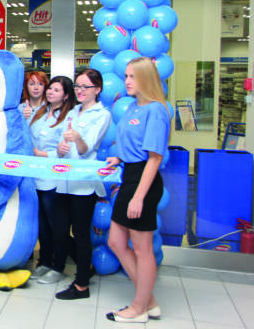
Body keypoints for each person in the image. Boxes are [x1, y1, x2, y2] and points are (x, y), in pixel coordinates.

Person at [104, 57, 169, 323]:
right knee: (116, 242)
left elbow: (154, 158)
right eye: (126, 76)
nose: (127, 81)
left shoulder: (156, 110)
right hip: (129, 175)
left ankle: (139, 308)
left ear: (146, 78)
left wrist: (139, 197)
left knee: (142, 249)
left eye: (133, 76)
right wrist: (119, 157)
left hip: (144, 181)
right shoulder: (133, 106)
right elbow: (132, 142)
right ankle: (148, 302)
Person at [53, 68, 111, 300]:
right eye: (77, 86)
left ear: (97, 89)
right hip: (64, 181)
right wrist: (60, 148)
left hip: (84, 185)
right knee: (59, 231)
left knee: (80, 234)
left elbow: (87, 149)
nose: (80, 90)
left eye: (85, 86)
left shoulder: (102, 115)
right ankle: (86, 266)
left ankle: (81, 285)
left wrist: (77, 138)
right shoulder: (72, 112)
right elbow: (60, 145)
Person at [28, 75, 76, 284]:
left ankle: (58, 266)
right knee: (42, 225)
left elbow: (66, 150)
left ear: (65, 96)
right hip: (34, 176)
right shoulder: (39, 112)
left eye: (56, 90)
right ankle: (44, 262)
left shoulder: (69, 117)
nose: (50, 92)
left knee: (56, 226)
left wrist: (42, 154)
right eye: (50, 89)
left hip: (53, 177)